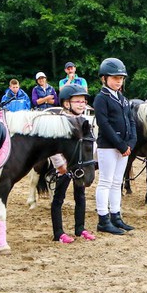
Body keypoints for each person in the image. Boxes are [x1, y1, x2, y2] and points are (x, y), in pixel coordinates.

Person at [93, 58, 137, 234]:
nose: (118, 81)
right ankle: (103, 219)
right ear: (104, 78)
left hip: (124, 146)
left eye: (121, 78)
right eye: (114, 78)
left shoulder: (124, 99)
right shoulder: (101, 98)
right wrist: (120, 144)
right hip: (108, 146)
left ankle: (115, 216)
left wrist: (132, 142)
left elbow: (131, 121)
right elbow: (104, 124)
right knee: (105, 181)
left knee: (117, 182)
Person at [49, 84, 96, 243]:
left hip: (78, 166)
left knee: (80, 196)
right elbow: (53, 147)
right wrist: (60, 165)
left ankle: (80, 228)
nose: (82, 104)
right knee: (58, 198)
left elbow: (89, 144)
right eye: (78, 101)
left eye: (83, 101)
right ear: (66, 103)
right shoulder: (60, 121)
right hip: (64, 166)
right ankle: (58, 232)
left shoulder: (84, 120)